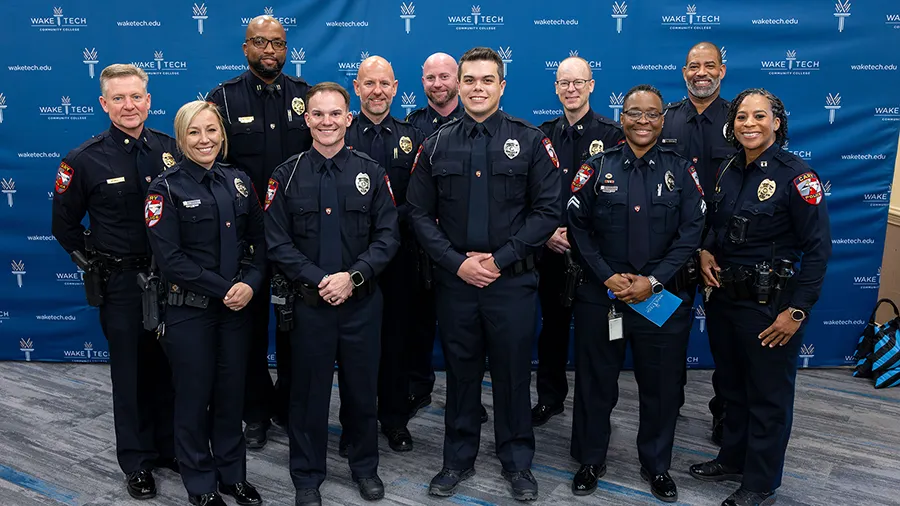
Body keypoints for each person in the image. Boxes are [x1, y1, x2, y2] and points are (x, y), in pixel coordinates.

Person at [407, 47, 561, 502]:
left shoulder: (531, 141)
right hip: (456, 283)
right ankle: (456, 460)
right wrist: (457, 262)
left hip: (510, 282)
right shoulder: (435, 143)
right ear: (458, 84)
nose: (477, 88)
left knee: (514, 375)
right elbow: (417, 213)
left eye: (486, 80)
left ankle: (517, 463)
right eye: (469, 80)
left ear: (502, 85)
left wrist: (499, 260)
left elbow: (548, 210)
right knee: (461, 373)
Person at [689, 88, 831, 506]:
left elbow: (819, 250)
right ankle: (732, 459)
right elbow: (717, 224)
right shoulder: (729, 168)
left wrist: (797, 311)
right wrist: (705, 249)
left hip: (771, 308)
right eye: (741, 117)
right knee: (731, 388)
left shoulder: (797, 176)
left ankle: (761, 482)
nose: (749, 124)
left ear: (777, 123)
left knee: (768, 397)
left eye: (759, 116)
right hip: (725, 299)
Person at [566, 84, 705, 502]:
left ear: (663, 120)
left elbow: (690, 233)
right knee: (595, 383)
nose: (642, 121)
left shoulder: (682, 171)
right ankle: (591, 459)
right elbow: (578, 229)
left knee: (662, 387)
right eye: (634, 112)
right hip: (603, 298)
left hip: (659, 299)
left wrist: (654, 281)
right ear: (621, 116)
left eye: (651, 114)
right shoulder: (595, 168)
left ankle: (657, 464)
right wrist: (608, 277)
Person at [265, 82, 400, 506]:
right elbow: (276, 241)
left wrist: (352, 277)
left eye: (335, 114)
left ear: (348, 118)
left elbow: (387, 236)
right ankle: (307, 476)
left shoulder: (372, 173)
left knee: (363, 392)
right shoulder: (285, 176)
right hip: (309, 307)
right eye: (318, 114)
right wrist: (319, 279)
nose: (326, 122)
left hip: (361, 304)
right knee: (307, 395)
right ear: (307, 119)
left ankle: (365, 468)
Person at [51, 63, 177, 501]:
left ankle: (168, 448)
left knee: (169, 368)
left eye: (136, 96)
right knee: (130, 375)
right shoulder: (83, 159)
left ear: (149, 100)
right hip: (122, 282)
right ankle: (137, 461)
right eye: (118, 98)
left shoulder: (170, 149)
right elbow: (64, 225)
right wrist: (96, 259)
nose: (129, 106)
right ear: (104, 104)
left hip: (171, 280)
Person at [146, 100, 266, 506]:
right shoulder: (165, 188)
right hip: (188, 312)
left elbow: (261, 242)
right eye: (194, 132)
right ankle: (200, 483)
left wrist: (250, 282)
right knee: (194, 399)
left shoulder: (238, 180)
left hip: (235, 310)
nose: (205, 139)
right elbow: (171, 260)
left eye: (211, 130)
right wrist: (225, 288)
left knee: (232, 396)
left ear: (222, 134)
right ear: (181, 138)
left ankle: (233, 476)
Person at [207, 14, 313, 449]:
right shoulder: (223, 100)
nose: (270, 51)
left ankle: (289, 407)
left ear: (287, 49)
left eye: (278, 44)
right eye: (261, 43)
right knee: (246, 330)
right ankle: (254, 412)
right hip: (245, 240)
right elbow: (211, 163)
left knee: (295, 328)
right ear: (246, 49)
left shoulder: (307, 98)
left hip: (295, 239)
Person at [340, 56, 426, 454]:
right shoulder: (338, 132)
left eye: (384, 84)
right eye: (368, 84)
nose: (377, 91)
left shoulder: (413, 137)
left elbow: (420, 200)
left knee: (396, 342)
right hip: (349, 258)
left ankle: (394, 419)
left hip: (399, 258)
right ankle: (353, 424)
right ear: (356, 88)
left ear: (395, 88)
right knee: (352, 347)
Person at [533, 55, 624, 427]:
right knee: (552, 330)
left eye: (578, 82)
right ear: (556, 88)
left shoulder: (613, 134)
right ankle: (549, 398)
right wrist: (548, 232)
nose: (571, 89)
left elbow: (618, 198)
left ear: (591, 86)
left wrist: (581, 236)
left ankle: (596, 408)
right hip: (553, 251)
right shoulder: (543, 134)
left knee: (597, 338)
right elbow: (534, 193)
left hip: (595, 257)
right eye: (564, 83)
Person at [405, 52, 487, 425]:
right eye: (429, 78)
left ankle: (472, 400)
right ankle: (418, 388)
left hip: (466, 249)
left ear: (458, 79)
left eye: (444, 76)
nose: (437, 84)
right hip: (423, 247)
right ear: (421, 82)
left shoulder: (477, 118)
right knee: (419, 323)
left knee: (472, 334)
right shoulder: (410, 127)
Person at [660, 41, 735, 443]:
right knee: (670, 341)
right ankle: (666, 411)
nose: (701, 72)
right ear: (684, 72)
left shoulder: (740, 119)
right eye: (693, 66)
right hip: (673, 253)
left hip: (725, 254)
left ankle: (724, 414)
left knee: (727, 342)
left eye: (709, 66)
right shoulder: (665, 120)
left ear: (722, 71)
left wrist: (711, 245)